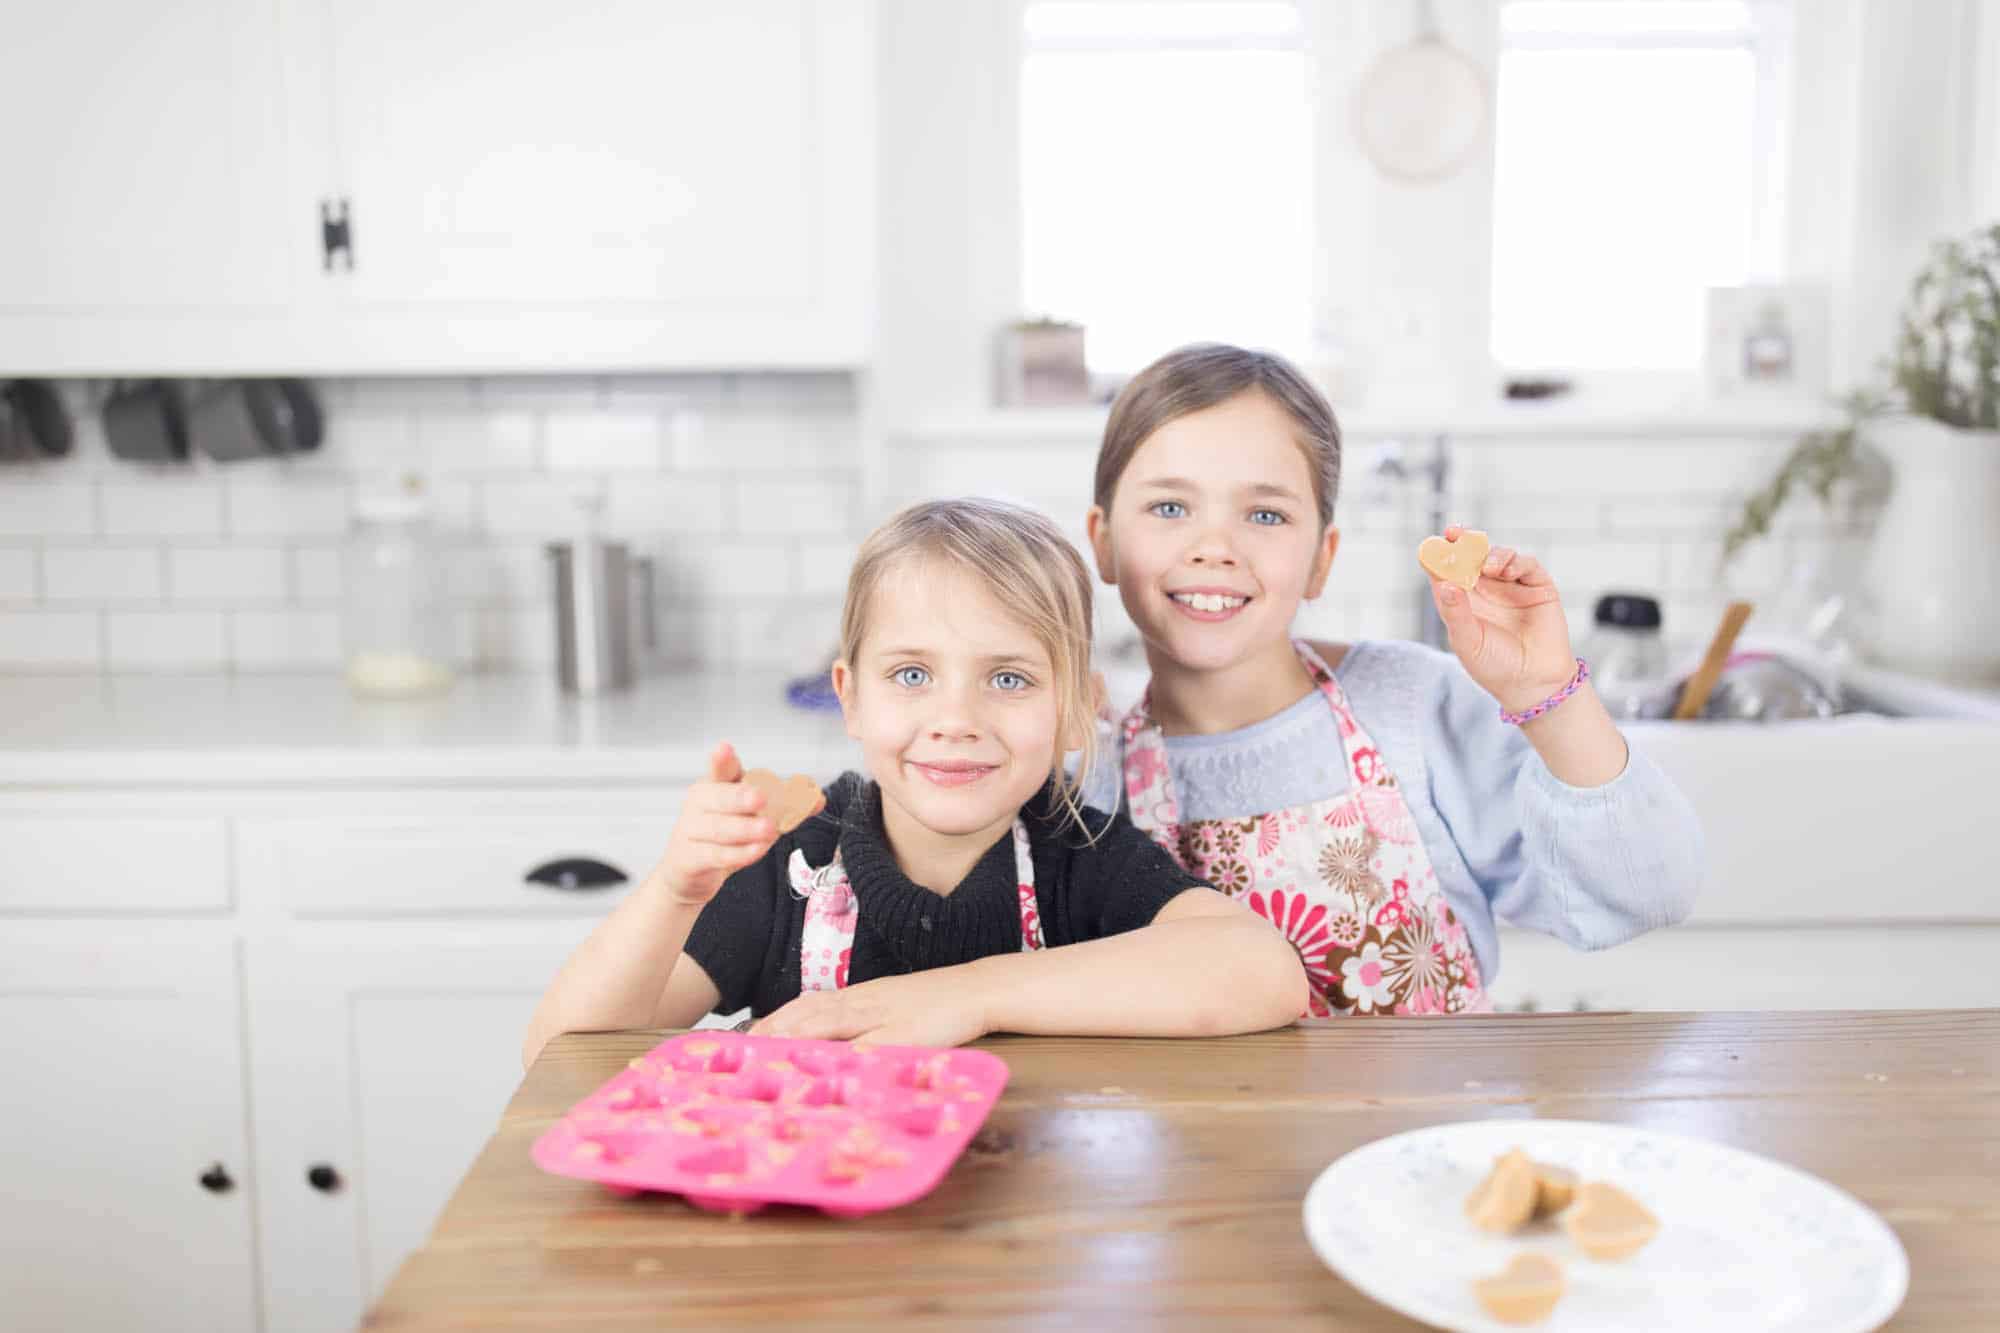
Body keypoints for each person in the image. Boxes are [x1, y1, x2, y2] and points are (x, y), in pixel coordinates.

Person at [522, 497, 1308, 1067]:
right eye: (911, 673)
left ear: (1076, 713)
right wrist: (673, 892)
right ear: (849, 696)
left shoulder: (1085, 856)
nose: (955, 717)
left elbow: (1264, 974)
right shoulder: (787, 864)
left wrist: (970, 995)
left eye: (1008, 678)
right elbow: (566, 1057)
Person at [1079, 343, 1703, 1016]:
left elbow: (1649, 892)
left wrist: (1545, 694)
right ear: (1104, 541)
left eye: (1265, 515)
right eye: (1170, 508)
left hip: (1435, 1119)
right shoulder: (1091, 775)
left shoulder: (1413, 709)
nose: (1215, 547)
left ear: (1323, 559)